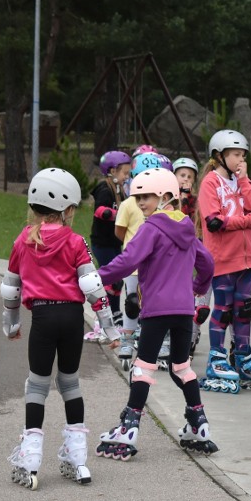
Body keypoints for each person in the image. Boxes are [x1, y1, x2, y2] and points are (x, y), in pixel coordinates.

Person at [1, 168, 120, 490]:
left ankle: (29, 461)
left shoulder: (23, 240)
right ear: (68, 210)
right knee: (70, 383)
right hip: (71, 318)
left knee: (37, 386)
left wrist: (11, 324)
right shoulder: (75, 241)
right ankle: (77, 458)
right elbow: (93, 286)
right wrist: (109, 329)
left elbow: (11, 288)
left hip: (42, 319)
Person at [95, 168, 218, 460]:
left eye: (146, 197)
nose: (140, 203)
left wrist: (97, 276)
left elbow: (128, 261)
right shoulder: (187, 228)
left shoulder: (151, 228)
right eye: (137, 198)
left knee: (144, 367)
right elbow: (208, 264)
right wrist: (196, 287)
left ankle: (129, 426)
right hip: (183, 310)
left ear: (165, 196)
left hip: (157, 310)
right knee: (182, 367)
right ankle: (199, 422)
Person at [198, 129, 251, 394]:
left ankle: (243, 358)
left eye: (243, 155)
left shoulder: (239, 181)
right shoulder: (210, 183)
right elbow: (214, 222)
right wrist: (248, 221)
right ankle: (217, 358)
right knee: (224, 309)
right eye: (235, 155)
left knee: (244, 309)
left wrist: (245, 179)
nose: (240, 159)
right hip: (223, 257)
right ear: (219, 155)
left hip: (246, 257)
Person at [112, 149, 169, 370]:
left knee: (154, 305)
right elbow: (119, 231)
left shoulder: (160, 207)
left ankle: (156, 342)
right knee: (132, 305)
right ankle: (127, 342)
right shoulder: (128, 205)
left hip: (154, 266)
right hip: (134, 266)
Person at [84, 150, 131, 342]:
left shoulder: (118, 189)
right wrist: (118, 214)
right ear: (112, 171)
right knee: (110, 281)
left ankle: (115, 314)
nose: (126, 177)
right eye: (124, 173)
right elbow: (100, 211)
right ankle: (103, 320)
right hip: (102, 243)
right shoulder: (105, 188)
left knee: (117, 280)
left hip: (113, 242)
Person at [173, 156, 210, 356]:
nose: (185, 179)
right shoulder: (170, 199)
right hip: (174, 252)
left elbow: (192, 218)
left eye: (189, 177)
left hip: (193, 248)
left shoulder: (194, 200)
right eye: (182, 175)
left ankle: (192, 336)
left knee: (193, 294)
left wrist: (187, 197)